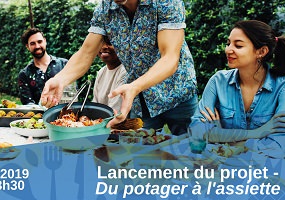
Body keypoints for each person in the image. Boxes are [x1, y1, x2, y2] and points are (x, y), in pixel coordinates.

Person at [40, 0, 197, 135]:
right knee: (142, 156)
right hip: (141, 99)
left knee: (191, 153)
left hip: (178, 93)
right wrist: (60, 79)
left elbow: (170, 58)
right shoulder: (104, 8)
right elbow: (86, 53)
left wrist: (135, 86)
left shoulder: (166, 2)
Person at [190, 20, 285, 157]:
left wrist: (222, 139)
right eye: (228, 43)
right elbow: (196, 133)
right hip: (223, 170)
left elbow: (278, 147)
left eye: (238, 45)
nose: (228, 49)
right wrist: (257, 133)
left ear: (261, 51)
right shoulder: (218, 81)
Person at [18, 27, 75, 105]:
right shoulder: (24, 75)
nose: (37, 46)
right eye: (32, 43)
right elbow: (28, 104)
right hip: (39, 116)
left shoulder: (64, 64)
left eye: (39, 41)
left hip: (67, 114)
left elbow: (73, 94)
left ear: (45, 41)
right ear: (27, 46)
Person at [92, 37, 127, 112]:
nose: (104, 47)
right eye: (101, 43)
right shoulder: (101, 72)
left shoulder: (125, 71)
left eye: (110, 43)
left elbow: (115, 110)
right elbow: (95, 104)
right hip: (100, 120)